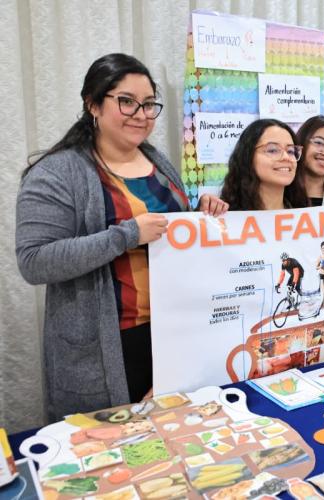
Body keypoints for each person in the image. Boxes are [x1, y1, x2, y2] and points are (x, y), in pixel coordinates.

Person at [15, 53, 227, 420]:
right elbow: (35, 262)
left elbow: (167, 234)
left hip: (171, 333)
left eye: (148, 104)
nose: (141, 114)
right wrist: (127, 234)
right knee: (112, 454)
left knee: (176, 441)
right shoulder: (56, 172)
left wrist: (200, 214)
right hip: (104, 345)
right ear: (93, 104)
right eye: (127, 102)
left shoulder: (157, 161)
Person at [220, 118, 306, 210]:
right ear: (248, 156)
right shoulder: (222, 217)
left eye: (290, 151)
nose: (286, 157)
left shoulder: (308, 215)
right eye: (273, 150)